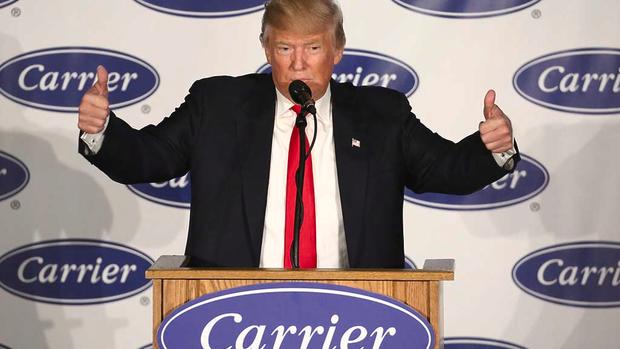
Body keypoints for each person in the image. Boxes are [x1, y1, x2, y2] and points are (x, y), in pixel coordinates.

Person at [77, 0, 518, 269]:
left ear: (337, 50)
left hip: (353, 317)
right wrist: (104, 131)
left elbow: (443, 170)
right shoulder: (216, 105)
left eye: (313, 47)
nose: (299, 63)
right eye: (286, 48)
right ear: (267, 49)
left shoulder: (381, 115)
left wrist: (490, 149)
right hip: (234, 313)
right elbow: (149, 157)